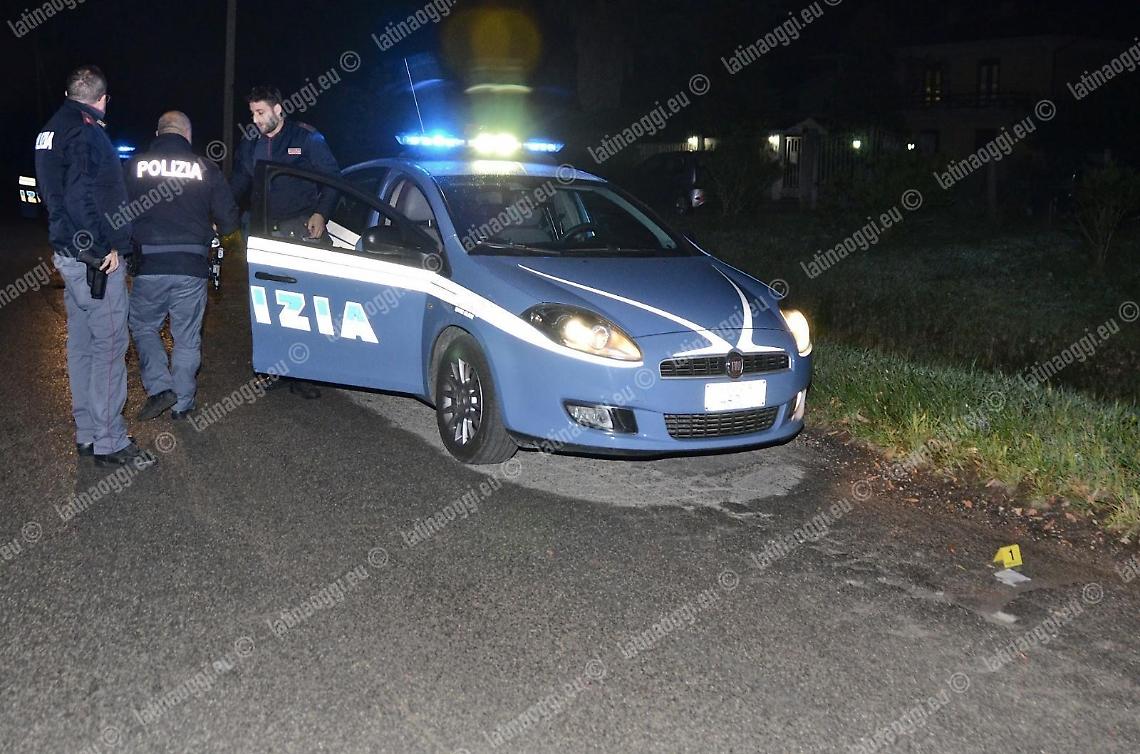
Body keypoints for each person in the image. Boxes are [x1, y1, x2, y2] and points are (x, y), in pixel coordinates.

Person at [34, 65, 152, 467]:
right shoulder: (86, 131)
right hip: (92, 260)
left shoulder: (51, 129)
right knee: (110, 345)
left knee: (83, 344)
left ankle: (87, 433)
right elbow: (81, 196)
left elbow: (56, 196)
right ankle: (109, 439)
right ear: (102, 99)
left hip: (69, 255)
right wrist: (103, 247)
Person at [126, 112, 241, 421]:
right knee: (187, 338)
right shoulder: (206, 168)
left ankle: (160, 386)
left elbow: (116, 214)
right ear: (188, 136)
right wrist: (222, 242)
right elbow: (230, 222)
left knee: (143, 325)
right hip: (192, 266)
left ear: (158, 132)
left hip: (149, 263)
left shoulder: (134, 166)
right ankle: (182, 404)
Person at [230, 85, 341, 399]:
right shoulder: (251, 142)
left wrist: (322, 213)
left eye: (260, 112)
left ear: (279, 110)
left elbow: (334, 178)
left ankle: (305, 373)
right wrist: (219, 212)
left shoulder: (307, 138)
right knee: (268, 303)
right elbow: (239, 181)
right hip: (262, 231)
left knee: (303, 303)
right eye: (252, 113)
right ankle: (271, 369)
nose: (255, 119)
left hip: (299, 230)